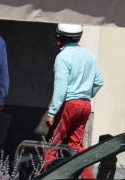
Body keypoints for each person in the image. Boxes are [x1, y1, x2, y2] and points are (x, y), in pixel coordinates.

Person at [42, 24, 103, 165]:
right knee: (75, 146)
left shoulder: (62, 57)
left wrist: (52, 112)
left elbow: (61, 89)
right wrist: (87, 93)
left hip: (69, 105)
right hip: (86, 104)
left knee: (52, 145)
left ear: (60, 38)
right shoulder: (90, 56)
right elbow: (99, 81)